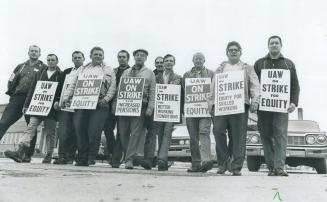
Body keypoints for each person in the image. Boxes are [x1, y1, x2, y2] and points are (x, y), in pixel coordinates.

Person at [208, 41, 260, 176]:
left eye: (236, 50)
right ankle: (223, 163)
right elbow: (213, 87)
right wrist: (211, 104)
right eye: (230, 50)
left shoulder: (247, 68)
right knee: (218, 131)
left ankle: (236, 166)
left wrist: (255, 100)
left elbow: (255, 85)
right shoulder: (220, 69)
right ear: (227, 52)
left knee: (238, 136)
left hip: (240, 105)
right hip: (222, 105)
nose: (233, 51)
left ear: (240, 52)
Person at [254, 36, 300, 176]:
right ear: (268, 45)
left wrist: (293, 102)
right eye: (271, 43)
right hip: (264, 108)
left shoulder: (289, 64)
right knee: (265, 135)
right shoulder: (259, 63)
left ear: (281, 45)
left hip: (281, 108)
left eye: (276, 43)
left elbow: (295, 86)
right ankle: (271, 167)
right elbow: (254, 85)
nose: (274, 45)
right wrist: (255, 101)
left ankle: (279, 167)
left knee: (280, 136)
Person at [63, 47, 116, 166]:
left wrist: (106, 99)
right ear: (90, 56)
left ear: (103, 56)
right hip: (82, 103)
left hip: (100, 104)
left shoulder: (109, 70)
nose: (98, 56)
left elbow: (113, 87)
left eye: (100, 54)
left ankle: (90, 157)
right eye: (95, 54)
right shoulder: (82, 69)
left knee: (94, 131)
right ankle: (82, 157)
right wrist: (66, 97)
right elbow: (73, 85)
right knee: (80, 129)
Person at [4, 54, 62, 163]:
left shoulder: (60, 74)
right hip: (37, 106)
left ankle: (48, 155)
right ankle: (20, 151)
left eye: (53, 60)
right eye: (48, 60)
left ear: (57, 61)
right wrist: (26, 104)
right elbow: (32, 89)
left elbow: (61, 90)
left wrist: (58, 101)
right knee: (30, 128)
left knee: (50, 132)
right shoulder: (40, 73)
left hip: (51, 108)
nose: (50, 62)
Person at [0, 45, 47, 162]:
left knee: (31, 126)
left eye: (36, 51)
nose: (34, 53)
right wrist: (12, 93)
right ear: (28, 52)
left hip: (32, 98)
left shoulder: (43, 67)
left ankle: (26, 155)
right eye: (32, 51)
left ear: (40, 54)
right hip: (18, 97)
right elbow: (11, 79)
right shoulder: (21, 66)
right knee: (3, 122)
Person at [116, 49, 156, 169]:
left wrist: (150, 107)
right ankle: (131, 155)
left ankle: (129, 160)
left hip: (141, 107)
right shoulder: (126, 72)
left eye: (142, 55)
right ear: (133, 57)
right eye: (137, 55)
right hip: (124, 106)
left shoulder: (149, 73)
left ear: (146, 58)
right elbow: (119, 89)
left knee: (135, 133)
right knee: (122, 132)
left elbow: (153, 91)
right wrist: (116, 105)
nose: (139, 57)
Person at [183, 52, 214, 173]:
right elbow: (183, 91)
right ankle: (195, 163)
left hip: (205, 110)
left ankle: (206, 161)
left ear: (204, 60)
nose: (198, 61)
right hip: (191, 111)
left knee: (204, 132)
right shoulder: (186, 75)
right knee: (193, 138)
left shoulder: (211, 74)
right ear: (192, 61)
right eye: (196, 59)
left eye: (200, 59)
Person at [53, 51, 85, 164]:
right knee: (63, 131)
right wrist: (57, 100)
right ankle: (62, 156)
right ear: (72, 59)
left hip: (79, 106)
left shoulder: (87, 71)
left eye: (79, 57)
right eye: (75, 58)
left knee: (76, 131)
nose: (77, 59)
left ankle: (71, 155)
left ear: (83, 59)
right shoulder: (66, 72)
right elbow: (59, 88)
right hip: (65, 105)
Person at [154, 54, 182, 171]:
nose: (169, 63)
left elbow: (182, 95)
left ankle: (161, 158)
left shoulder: (178, 78)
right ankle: (163, 161)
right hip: (159, 110)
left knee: (167, 133)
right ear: (164, 63)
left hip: (172, 111)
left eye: (171, 61)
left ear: (174, 63)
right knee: (160, 134)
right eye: (167, 61)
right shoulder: (156, 77)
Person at [106, 50, 131, 168]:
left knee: (121, 133)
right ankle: (111, 152)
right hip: (111, 104)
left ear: (128, 58)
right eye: (119, 57)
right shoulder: (113, 71)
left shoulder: (132, 71)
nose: (121, 59)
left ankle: (116, 159)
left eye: (124, 57)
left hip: (124, 105)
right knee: (107, 129)